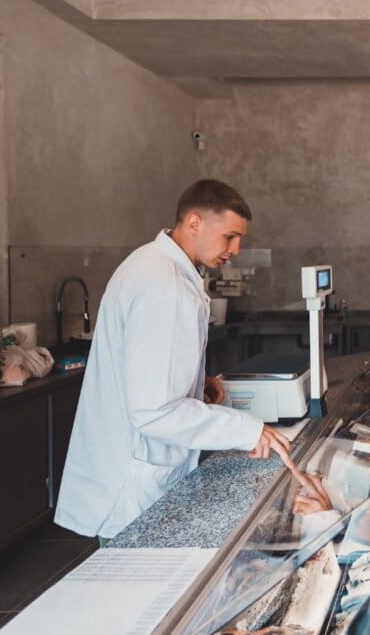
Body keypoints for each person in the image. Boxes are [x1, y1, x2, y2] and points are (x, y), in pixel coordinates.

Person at [56, 180, 294, 541]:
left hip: (134, 473)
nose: (236, 249)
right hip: (132, 488)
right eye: (230, 236)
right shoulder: (165, 285)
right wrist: (250, 430)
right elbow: (155, 411)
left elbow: (147, 370)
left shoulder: (153, 265)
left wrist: (198, 385)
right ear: (195, 223)